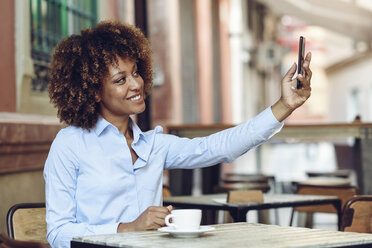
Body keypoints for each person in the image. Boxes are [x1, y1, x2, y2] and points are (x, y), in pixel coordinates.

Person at [44, 21, 312, 248]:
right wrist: (126, 228)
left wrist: (284, 105)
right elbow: (57, 234)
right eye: (120, 79)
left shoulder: (154, 145)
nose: (136, 84)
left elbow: (218, 147)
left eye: (136, 72)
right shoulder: (70, 145)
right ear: (93, 91)